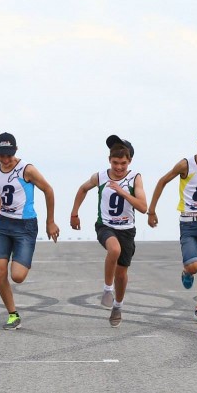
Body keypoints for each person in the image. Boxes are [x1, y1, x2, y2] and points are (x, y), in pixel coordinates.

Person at [148, 125, 197, 324]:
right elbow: (163, 181)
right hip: (188, 223)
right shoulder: (186, 164)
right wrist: (152, 210)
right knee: (194, 267)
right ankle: (186, 271)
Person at [0, 132, 60, 330]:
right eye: (2, 155)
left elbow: (48, 190)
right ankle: (12, 314)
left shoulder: (26, 169)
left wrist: (50, 221)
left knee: (17, 276)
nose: (6, 159)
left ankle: (23, 257)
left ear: (15, 151)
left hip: (25, 226)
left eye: (9, 155)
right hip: (3, 225)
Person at [70, 135, 147, 327]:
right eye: (115, 163)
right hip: (105, 226)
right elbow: (82, 188)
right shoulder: (101, 176)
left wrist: (122, 191)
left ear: (129, 161)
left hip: (127, 230)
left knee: (121, 274)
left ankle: (118, 306)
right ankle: (106, 289)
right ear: (109, 160)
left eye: (123, 163)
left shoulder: (135, 178)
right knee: (114, 250)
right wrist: (74, 213)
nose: (119, 167)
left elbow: (143, 206)